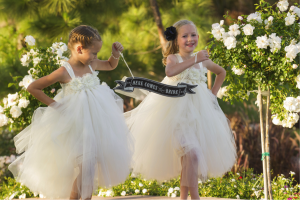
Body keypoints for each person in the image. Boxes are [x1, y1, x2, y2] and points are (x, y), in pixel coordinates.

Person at [8, 25, 133, 200]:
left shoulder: (92, 65)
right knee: (86, 166)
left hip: (96, 120)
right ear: (79, 49)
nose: (96, 57)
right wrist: (56, 105)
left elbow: (111, 65)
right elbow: (33, 87)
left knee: (90, 166)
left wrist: (115, 53)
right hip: (77, 124)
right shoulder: (64, 71)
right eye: (94, 53)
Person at [124, 20, 236, 200]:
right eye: (185, 36)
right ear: (176, 40)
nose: (190, 39)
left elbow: (221, 72)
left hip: (199, 114)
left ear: (198, 37)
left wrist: (212, 96)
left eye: (193, 35)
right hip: (174, 113)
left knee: (190, 158)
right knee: (192, 154)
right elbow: (170, 72)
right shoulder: (174, 58)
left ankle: (185, 197)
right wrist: (195, 59)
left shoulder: (203, 61)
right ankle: (195, 197)